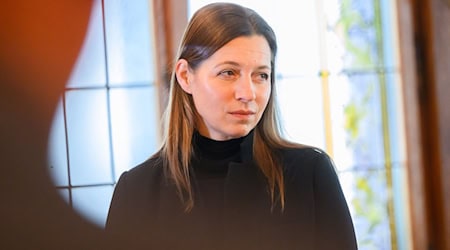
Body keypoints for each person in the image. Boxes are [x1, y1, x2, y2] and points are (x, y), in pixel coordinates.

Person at [105, 2, 357, 249]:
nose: (248, 93)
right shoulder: (136, 192)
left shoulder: (309, 175)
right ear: (185, 76)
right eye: (228, 73)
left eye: (261, 75)